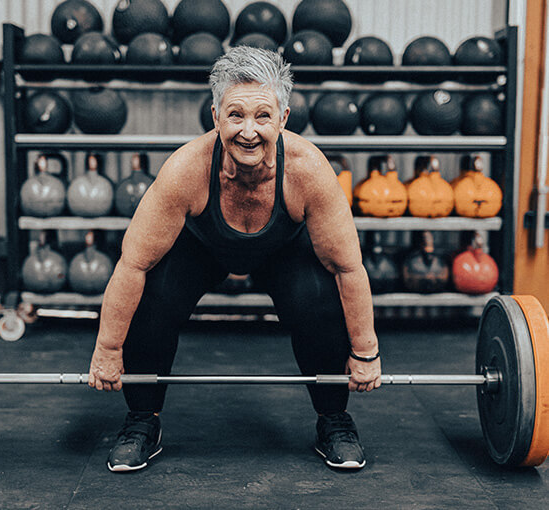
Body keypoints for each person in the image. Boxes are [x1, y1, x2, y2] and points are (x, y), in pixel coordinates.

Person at [88, 47, 381, 472]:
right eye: (235, 115)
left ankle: (334, 419)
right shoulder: (186, 170)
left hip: (283, 251)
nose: (248, 131)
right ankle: (141, 420)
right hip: (202, 247)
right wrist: (108, 349)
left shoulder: (309, 171)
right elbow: (133, 264)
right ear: (215, 117)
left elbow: (347, 268)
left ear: (283, 119)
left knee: (317, 301)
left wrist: (366, 351)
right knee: (155, 295)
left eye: (263, 116)